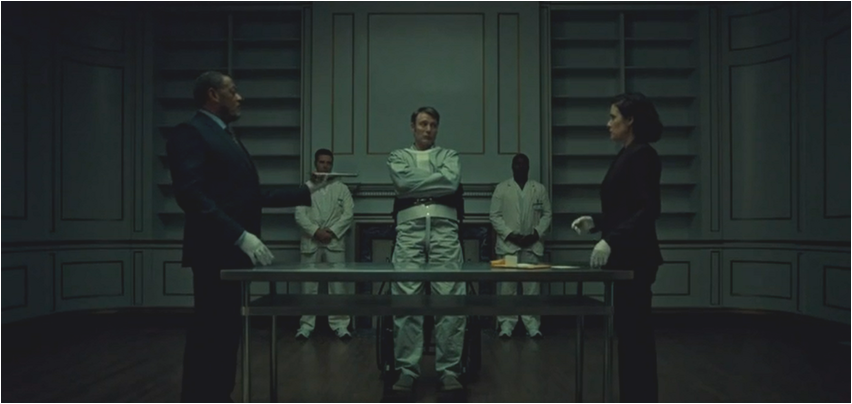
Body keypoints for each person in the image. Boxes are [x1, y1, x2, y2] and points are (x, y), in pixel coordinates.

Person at [167, 71, 329, 403]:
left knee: (226, 331)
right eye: (233, 91)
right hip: (214, 252)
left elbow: (249, 196)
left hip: (231, 255)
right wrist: (239, 236)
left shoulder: (227, 136)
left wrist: (307, 189)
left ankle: (219, 395)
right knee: (209, 331)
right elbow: (191, 195)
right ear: (213, 95)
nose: (240, 97)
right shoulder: (191, 132)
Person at [571, 92, 663, 403]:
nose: (608, 123)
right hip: (626, 258)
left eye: (613, 117)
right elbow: (625, 208)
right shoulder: (627, 153)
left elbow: (648, 209)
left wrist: (611, 239)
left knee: (636, 339)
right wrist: (596, 223)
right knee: (628, 338)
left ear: (630, 120)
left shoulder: (643, 155)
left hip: (636, 259)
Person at [387, 106, 466, 394]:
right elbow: (402, 183)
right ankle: (407, 370)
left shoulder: (449, 156)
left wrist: (415, 185)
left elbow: (451, 182)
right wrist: (436, 181)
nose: (428, 129)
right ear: (413, 127)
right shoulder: (398, 156)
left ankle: (449, 370)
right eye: (423, 124)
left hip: (445, 227)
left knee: (450, 299)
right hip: (409, 228)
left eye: (433, 124)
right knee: (407, 299)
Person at [294, 148, 355, 340]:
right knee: (308, 286)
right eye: (322, 162)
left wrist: (332, 231)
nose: (325, 166)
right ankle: (306, 326)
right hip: (311, 240)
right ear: (315, 163)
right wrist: (315, 231)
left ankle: (340, 325)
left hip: (333, 240)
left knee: (338, 285)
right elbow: (299, 215)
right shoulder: (306, 188)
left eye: (328, 163)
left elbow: (348, 214)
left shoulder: (341, 188)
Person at [489, 153, 552, 339]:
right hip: (509, 246)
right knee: (507, 288)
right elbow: (494, 216)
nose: (520, 167)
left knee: (531, 288)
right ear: (512, 167)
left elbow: (547, 215)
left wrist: (535, 234)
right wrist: (511, 235)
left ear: (528, 167)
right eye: (517, 164)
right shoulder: (502, 188)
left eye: (523, 164)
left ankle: (532, 325)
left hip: (532, 246)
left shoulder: (539, 189)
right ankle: (506, 325)